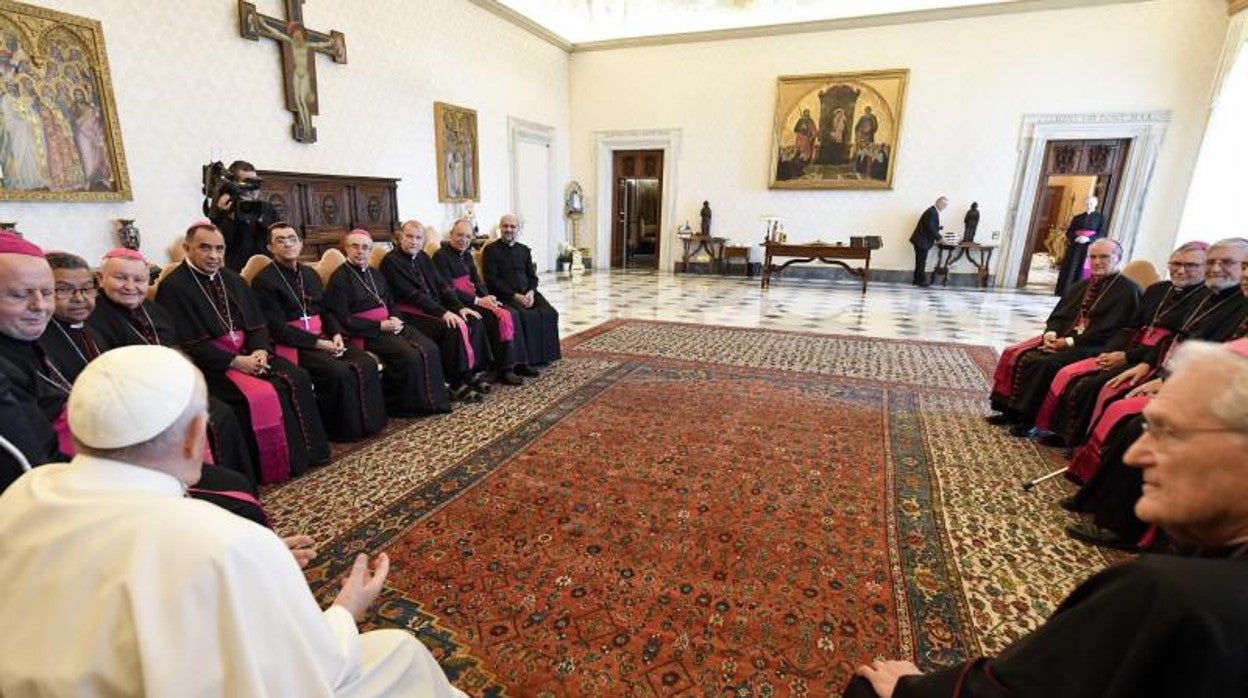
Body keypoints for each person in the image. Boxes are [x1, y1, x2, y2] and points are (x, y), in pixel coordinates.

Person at [0, 345, 467, 697]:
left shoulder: (24, 493)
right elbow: (312, 672)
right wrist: (348, 606)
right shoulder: (227, 542)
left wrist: (251, 565)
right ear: (194, 437)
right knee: (401, 652)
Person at [847, 338, 1248, 698]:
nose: (1135, 456)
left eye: (1170, 433)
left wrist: (908, 689)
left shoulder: (1165, 593)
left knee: (870, 688)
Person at [0, 234, 264, 525]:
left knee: (233, 473)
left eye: (47, 292)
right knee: (234, 498)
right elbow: (33, 472)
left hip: (106, 441)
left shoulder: (43, 336)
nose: (40, 306)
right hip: (85, 479)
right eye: (19, 294)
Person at [156, 222, 329, 484]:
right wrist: (234, 361)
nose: (214, 255)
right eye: (205, 248)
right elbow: (188, 343)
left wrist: (259, 350)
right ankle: (270, 467)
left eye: (219, 249)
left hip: (249, 354)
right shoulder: (173, 287)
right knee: (266, 392)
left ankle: (305, 456)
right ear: (186, 248)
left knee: (297, 377)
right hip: (213, 365)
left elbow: (258, 323)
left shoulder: (233, 279)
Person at [88, 247, 257, 483]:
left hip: (175, 388)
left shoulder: (155, 310)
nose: (129, 286)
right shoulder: (93, 318)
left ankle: (235, 484)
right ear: (100, 278)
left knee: (222, 414)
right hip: (137, 402)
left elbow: (178, 348)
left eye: (139, 280)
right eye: (120, 278)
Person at [1030, 241, 1211, 447]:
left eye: (1191, 265)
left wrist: (1127, 357)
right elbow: (1130, 328)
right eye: (1175, 263)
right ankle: (1063, 433)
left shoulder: (1205, 300)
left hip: (1154, 359)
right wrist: (1112, 352)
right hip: (1129, 349)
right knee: (1078, 376)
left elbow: (1176, 342)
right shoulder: (1157, 290)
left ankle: (1081, 442)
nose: (1180, 270)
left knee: (1094, 385)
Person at [252, 223, 388, 441]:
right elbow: (277, 328)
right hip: (295, 344)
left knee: (366, 362)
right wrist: (319, 344)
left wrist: (335, 334)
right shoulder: (264, 281)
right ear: (270, 247)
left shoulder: (310, 274)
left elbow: (326, 311)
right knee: (339, 372)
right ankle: (344, 431)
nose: (288, 243)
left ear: (300, 244)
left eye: (292, 238)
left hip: (324, 337)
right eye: (281, 240)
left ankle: (371, 425)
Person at [988, 239, 1139, 434]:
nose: (1097, 262)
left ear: (1118, 258)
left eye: (1104, 257)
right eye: (1092, 257)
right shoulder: (1082, 285)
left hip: (1097, 345)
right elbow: (1059, 315)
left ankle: (1029, 420)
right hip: (1067, 339)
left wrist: (1067, 343)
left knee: (1047, 364)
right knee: (1019, 354)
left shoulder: (1128, 291)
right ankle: (1009, 411)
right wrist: (1051, 334)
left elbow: (1108, 330)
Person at [325, 229, 451, 417]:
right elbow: (343, 319)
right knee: (409, 355)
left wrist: (396, 318)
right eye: (355, 246)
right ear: (346, 249)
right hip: (365, 332)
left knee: (430, 347)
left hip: (389, 324)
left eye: (366, 247)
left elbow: (390, 302)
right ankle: (405, 405)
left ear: (370, 251)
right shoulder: (339, 278)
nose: (360, 251)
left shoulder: (375, 274)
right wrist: (379, 326)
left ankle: (433, 401)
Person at [380, 220, 490, 402]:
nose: (413, 241)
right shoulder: (391, 262)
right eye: (409, 236)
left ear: (423, 240)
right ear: (400, 237)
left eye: (418, 238)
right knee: (450, 327)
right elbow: (413, 296)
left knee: (473, 319)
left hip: (432, 307)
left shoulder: (423, 257)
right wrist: (443, 313)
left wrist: (459, 307)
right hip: (411, 313)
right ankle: (456, 383)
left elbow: (442, 285)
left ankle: (471, 372)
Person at [432, 218, 533, 385]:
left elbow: (477, 280)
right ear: (451, 235)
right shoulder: (440, 256)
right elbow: (447, 289)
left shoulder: (467, 255)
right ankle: (501, 369)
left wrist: (488, 297)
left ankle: (518, 363)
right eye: (459, 235)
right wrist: (478, 300)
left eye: (467, 236)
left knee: (512, 313)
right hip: (458, 302)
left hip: (476, 299)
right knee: (495, 318)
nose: (463, 240)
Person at [482, 214, 562, 366]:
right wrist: (515, 296)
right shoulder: (491, 250)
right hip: (506, 295)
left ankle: (545, 356)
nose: (509, 230)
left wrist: (531, 291)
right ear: (500, 228)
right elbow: (492, 280)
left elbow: (533, 276)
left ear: (517, 229)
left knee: (550, 313)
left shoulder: (524, 250)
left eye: (512, 226)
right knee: (526, 316)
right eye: (505, 226)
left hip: (528, 293)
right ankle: (529, 360)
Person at [39, 252, 105, 384]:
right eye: (64, 289)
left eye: (86, 288)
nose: (79, 298)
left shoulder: (95, 330)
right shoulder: (38, 340)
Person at [208, 159, 279, 272]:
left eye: (256, 184)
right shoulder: (224, 210)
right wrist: (227, 214)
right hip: (237, 275)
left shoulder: (268, 209)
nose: (253, 189)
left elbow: (277, 240)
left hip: (268, 272)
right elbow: (222, 244)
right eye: (248, 184)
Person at [1054, 195, 1106, 297]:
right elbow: (1069, 232)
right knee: (1071, 267)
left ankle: (1081, 293)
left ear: (1095, 204)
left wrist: (1088, 239)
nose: (1089, 205)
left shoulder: (1100, 218)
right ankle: (1066, 291)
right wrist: (1076, 238)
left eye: (1091, 203)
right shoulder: (1077, 217)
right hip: (1075, 247)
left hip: (1090, 248)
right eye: (1087, 203)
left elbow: (1102, 233)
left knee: (1084, 269)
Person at [908, 197, 946, 286]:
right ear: (938, 203)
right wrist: (940, 238)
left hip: (921, 240)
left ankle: (917, 280)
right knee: (921, 261)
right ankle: (920, 281)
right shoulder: (932, 212)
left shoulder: (932, 211)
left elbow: (929, 225)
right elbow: (930, 227)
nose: (944, 207)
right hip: (922, 241)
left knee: (920, 261)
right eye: (944, 205)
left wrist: (938, 228)